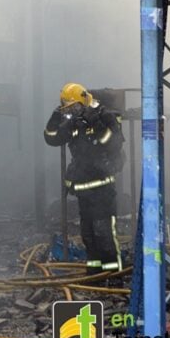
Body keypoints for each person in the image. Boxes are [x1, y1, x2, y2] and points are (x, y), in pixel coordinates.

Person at [44, 83, 125, 273]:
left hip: (102, 188)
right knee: (88, 233)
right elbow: (52, 138)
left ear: (82, 102)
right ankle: (95, 270)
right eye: (67, 109)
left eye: (73, 107)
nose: (70, 112)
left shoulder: (104, 116)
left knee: (103, 231)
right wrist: (56, 116)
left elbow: (113, 144)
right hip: (84, 189)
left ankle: (112, 272)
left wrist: (95, 124)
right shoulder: (74, 121)